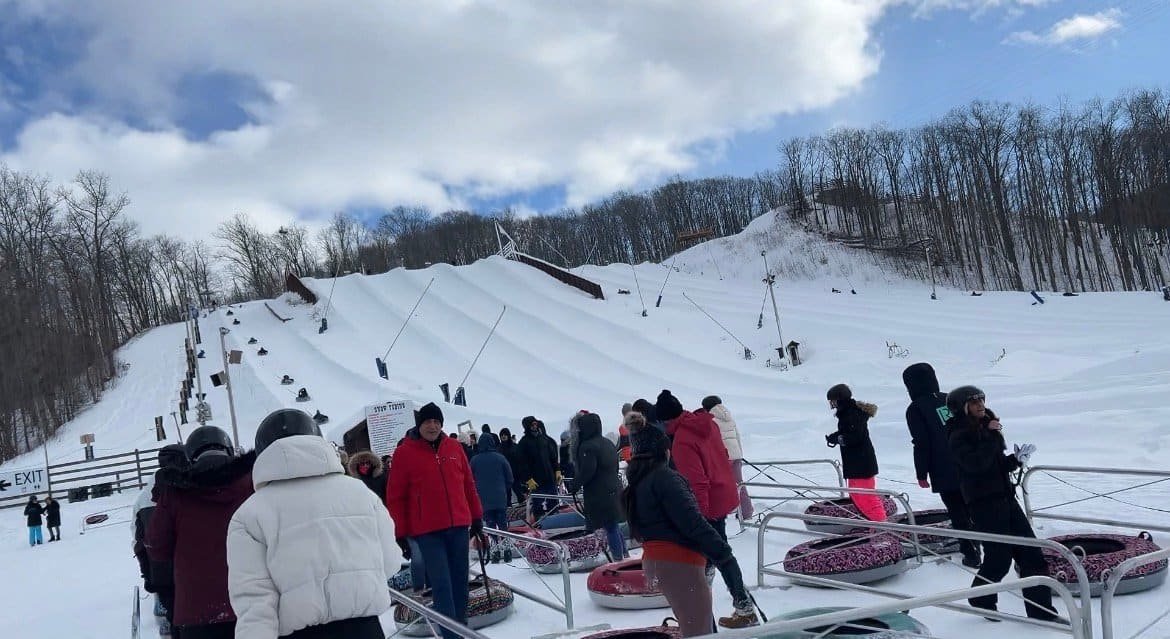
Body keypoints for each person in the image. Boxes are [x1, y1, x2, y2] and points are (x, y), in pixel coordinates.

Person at [228, 409, 402, 639]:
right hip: (365, 629)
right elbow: (390, 561)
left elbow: (255, 601)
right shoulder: (360, 492)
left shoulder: (249, 515)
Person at [623, 415, 757, 635]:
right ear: (664, 452)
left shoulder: (638, 481)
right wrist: (722, 553)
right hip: (680, 562)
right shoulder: (665, 478)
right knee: (699, 631)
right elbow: (692, 522)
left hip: (660, 561)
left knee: (695, 624)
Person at [946, 386, 1061, 623]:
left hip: (1006, 498)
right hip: (983, 504)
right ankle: (981, 598)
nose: (980, 404)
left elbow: (994, 465)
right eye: (973, 401)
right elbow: (976, 465)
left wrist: (1015, 460)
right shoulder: (958, 434)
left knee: (1031, 554)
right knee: (999, 559)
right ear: (962, 407)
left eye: (981, 399)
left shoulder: (985, 427)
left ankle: (1042, 612)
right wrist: (990, 435)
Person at [654, 390, 757, 628]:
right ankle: (716, 609)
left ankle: (736, 609)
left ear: (665, 421)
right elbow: (723, 455)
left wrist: (698, 517)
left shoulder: (682, 440)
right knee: (714, 556)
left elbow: (697, 482)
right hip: (722, 493)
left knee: (718, 556)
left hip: (708, 504)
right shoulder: (705, 424)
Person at [146, 426, 255, 639]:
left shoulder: (176, 493)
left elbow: (156, 547)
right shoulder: (250, 483)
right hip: (250, 604)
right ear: (229, 450)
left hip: (195, 611)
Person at [386, 403, 484, 639]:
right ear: (419, 425)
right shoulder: (404, 453)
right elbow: (396, 496)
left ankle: (461, 629)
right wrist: (400, 534)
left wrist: (476, 517)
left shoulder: (454, 447)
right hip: (428, 531)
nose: (432, 426)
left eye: (436, 422)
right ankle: (451, 635)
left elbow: (468, 484)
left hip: (458, 526)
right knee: (442, 585)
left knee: (460, 582)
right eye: (428, 422)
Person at [903, 363, 980, 567]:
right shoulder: (950, 399)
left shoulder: (916, 408)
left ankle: (971, 554)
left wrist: (921, 473)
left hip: (943, 466)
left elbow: (921, 442)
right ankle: (983, 544)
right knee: (972, 507)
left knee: (957, 511)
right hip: (969, 462)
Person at [133, 444, 189, 639]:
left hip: (161, 573)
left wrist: (147, 573)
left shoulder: (144, 497)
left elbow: (138, 542)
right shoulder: (191, 487)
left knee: (175, 621)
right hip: (191, 569)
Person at [567, 411, 627, 560]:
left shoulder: (587, 447)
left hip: (599, 493)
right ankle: (623, 554)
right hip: (614, 487)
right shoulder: (608, 443)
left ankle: (617, 559)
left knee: (609, 526)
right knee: (613, 525)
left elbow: (587, 471)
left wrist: (574, 485)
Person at [825, 384, 886, 522]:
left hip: (861, 464)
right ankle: (875, 523)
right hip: (857, 463)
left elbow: (855, 437)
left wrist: (838, 439)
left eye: (833, 401)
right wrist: (836, 436)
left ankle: (881, 524)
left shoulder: (851, 414)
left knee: (864, 497)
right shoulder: (848, 412)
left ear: (840, 399)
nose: (832, 404)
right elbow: (850, 431)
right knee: (857, 494)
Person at [702, 395, 752, 521]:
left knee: (720, 485)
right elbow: (737, 436)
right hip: (736, 455)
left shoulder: (711, 420)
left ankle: (723, 510)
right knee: (739, 484)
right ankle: (746, 511)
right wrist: (739, 454)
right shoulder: (729, 417)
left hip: (723, 457)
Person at [470, 431, 513, 562]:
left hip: (484, 500)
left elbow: (469, 480)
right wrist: (504, 489)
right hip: (500, 497)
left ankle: (494, 552)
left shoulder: (474, 460)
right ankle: (507, 551)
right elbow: (510, 478)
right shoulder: (500, 458)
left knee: (490, 525)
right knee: (503, 524)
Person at [516, 415, 560, 519]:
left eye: (535, 424)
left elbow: (553, 457)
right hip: (536, 481)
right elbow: (522, 464)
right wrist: (528, 479)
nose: (534, 426)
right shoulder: (523, 443)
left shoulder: (544, 439)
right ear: (527, 427)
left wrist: (557, 470)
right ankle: (539, 521)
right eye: (532, 425)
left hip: (549, 477)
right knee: (538, 505)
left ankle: (555, 519)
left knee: (554, 503)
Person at [497, 428, 522, 506]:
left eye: (505, 434)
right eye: (502, 435)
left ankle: (523, 508)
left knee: (519, 493)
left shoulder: (515, 447)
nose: (503, 436)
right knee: (507, 497)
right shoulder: (498, 448)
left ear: (508, 435)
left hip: (515, 474)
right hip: (504, 476)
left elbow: (520, 460)